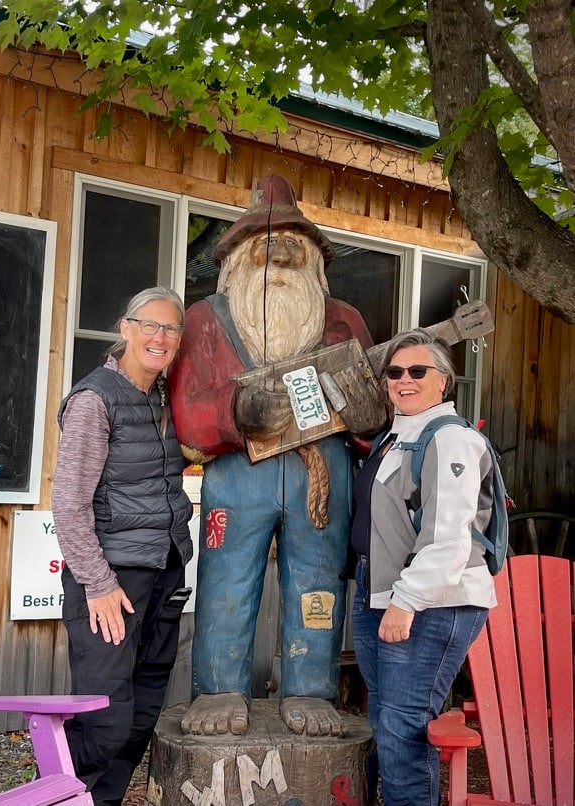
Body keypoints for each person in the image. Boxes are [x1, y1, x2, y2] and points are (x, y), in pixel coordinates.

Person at [167, 174, 374, 738]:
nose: (279, 261)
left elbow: (368, 421)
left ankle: (311, 687)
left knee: (318, 582)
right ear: (235, 259)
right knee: (226, 579)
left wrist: (358, 409)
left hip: (323, 479)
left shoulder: (342, 322)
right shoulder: (204, 321)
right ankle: (217, 687)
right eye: (266, 248)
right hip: (237, 478)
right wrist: (239, 410)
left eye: (293, 249)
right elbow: (187, 414)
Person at [53, 286, 194, 806]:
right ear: (125, 328)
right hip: (113, 578)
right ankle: (62, 796)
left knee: (143, 713)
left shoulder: (165, 397)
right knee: (105, 716)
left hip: (164, 570)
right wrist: (98, 583)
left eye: (171, 328)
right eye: (149, 325)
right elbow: (69, 505)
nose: (160, 337)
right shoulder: (95, 400)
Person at [350, 328, 496, 806]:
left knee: (403, 727)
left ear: (444, 381)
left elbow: (449, 536)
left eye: (418, 371)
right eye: (395, 372)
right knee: (391, 725)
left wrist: (405, 602)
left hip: (430, 602)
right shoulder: (397, 437)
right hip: (380, 591)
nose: (404, 380)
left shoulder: (450, 439)